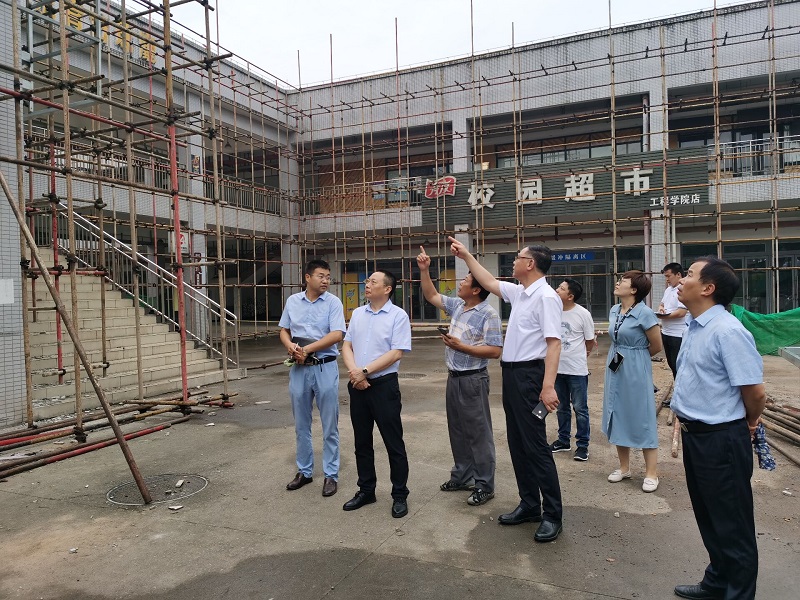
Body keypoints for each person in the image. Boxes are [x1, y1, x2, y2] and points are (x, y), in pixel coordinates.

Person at [448, 237, 564, 543]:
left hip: (530, 377)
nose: (513, 261)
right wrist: (466, 255)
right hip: (512, 375)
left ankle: (553, 515)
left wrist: (548, 386)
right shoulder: (521, 292)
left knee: (535, 446)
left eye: (518, 257)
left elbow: (554, 343)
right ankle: (530, 504)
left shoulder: (546, 297)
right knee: (517, 442)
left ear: (530, 264)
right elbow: (487, 280)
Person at [671, 257, 766, 600]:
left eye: (689, 275)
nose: (681, 280)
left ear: (708, 288)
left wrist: (750, 423)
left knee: (732, 525)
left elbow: (755, 392)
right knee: (710, 517)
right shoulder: (695, 326)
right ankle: (717, 583)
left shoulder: (727, 331)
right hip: (697, 437)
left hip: (721, 440)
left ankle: (737, 594)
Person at [416, 246, 503, 506]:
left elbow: (495, 351)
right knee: (457, 430)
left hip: (473, 379)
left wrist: (462, 347)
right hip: (453, 377)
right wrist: (424, 270)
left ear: (476, 290)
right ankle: (463, 476)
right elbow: (431, 295)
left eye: (465, 281)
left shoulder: (488, 314)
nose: (460, 283)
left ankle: (484, 484)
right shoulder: (458, 306)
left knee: (478, 433)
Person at [341, 270, 412, 518]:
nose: (367, 284)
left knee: (394, 442)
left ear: (387, 289)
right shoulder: (358, 313)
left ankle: (400, 494)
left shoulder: (398, 316)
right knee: (362, 442)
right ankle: (366, 490)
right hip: (357, 385)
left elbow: (396, 352)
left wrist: (365, 371)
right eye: (367, 281)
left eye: (373, 281)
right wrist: (355, 373)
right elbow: (347, 345)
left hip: (383, 386)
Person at [278, 259, 346, 498]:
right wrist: (290, 346)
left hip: (324, 367)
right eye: (321, 276)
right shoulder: (293, 301)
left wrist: (307, 349)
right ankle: (304, 471)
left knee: (329, 424)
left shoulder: (333, 302)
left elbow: (337, 334)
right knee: (301, 424)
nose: (326, 280)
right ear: (307, 277)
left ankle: (331, 474)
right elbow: (284, 330)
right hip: (299, 369)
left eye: (328, 276)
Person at [602, 270, 663, 493]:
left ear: (634, 290)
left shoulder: (645, 313)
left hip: (636, 366)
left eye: (623, 281)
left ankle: (651, 473)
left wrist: (637, 358)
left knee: (641, 414)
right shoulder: (614, 310)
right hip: (615, 362)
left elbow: (656, 345)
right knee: (616, 411)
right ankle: (624, 467)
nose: (618, 283)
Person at [548, 279, 596, 462]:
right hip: (556, 369)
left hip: (576, 369)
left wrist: (583, 355)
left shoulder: (583, 314)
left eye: (561, 288)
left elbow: (589, 341)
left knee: (580, 408)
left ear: (570, 296)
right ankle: (563, 440)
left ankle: (582, 445)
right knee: (561, 407)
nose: (556, 290)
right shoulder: (552, 311)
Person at [656, 262, 688, 386]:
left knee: (679, 365)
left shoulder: (683, 289)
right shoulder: (668, 290)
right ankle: (677, 390)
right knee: (671, 364)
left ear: (678, 274)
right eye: (665, 276)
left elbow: (681, 312)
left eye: (668, 276)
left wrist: (664, 316)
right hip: (666, 332)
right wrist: (661, 309)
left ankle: (682, 391)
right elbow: (662, 304)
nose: (667, 279)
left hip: (678, 334)